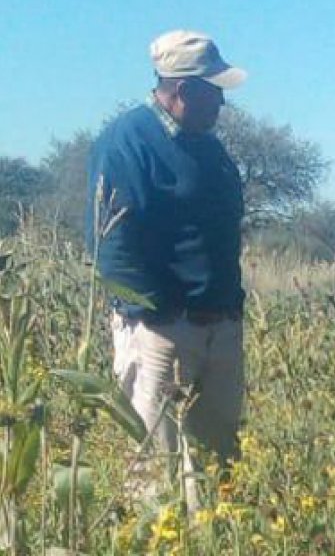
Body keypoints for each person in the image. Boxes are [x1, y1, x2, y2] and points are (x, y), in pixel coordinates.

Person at [86, 30, 248, 495]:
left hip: (220, 325)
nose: (222, 103)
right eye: (215, 92)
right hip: (162, 329)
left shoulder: (208, 147)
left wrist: (228, 306)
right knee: (157, 472)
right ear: (185, 91)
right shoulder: (127, 142)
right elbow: (110, 244)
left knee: (221, 466)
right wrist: (158, 313)